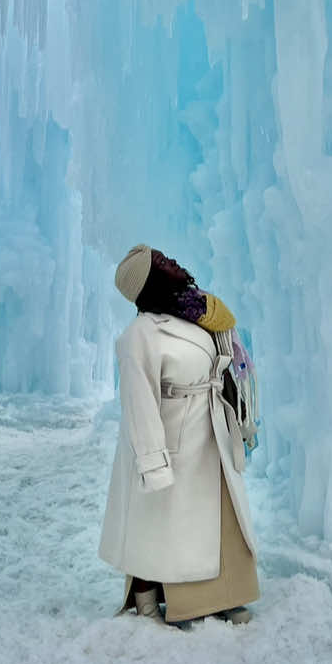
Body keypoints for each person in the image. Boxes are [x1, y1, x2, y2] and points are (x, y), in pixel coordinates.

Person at [98, 244, 259, 626]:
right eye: (160, 263)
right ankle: (174, 597)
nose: (172, 262)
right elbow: (139, 405)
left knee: (219, 517)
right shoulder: (138, 335)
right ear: (148, 283)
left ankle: (226, 592)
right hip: (178, 437)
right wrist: (153, 462)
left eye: (165, 257)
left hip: (210, 429)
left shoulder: (197, 313)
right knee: (173, 527)